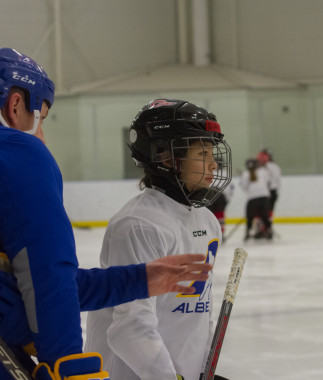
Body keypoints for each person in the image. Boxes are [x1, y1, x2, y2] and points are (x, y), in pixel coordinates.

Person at [0, 48, 214, 380]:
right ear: (15, 106)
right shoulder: (20, 154)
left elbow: (48, 284)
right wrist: (67, 366)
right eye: (40, 119)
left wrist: (136, 280)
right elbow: (48, 279)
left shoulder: (202, 220)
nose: (41, 136)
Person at [84, 99, 232, 380]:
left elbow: (200, 310)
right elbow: (130, 326)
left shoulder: (207, 221)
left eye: (212, 152)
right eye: (202, 152)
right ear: (166, 157)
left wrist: (202, 370)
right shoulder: (139, 224)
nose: (214, 163)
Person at [239, 158, 272, 240]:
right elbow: (268, 182)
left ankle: (248, 232)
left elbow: (244, 187)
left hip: (252, 197)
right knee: (265, 216)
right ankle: (269, 230)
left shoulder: (245, 174)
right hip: (264, 196)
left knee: (250, 216)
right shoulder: (263, 171)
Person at [207, 175, 234, 241]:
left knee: (210, 216)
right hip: (220, 196)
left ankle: (212, 235)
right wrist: (226, 201)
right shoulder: (225, 173)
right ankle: (220, 234)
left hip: (210, 195)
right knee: (219, 216)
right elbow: (230, 189)